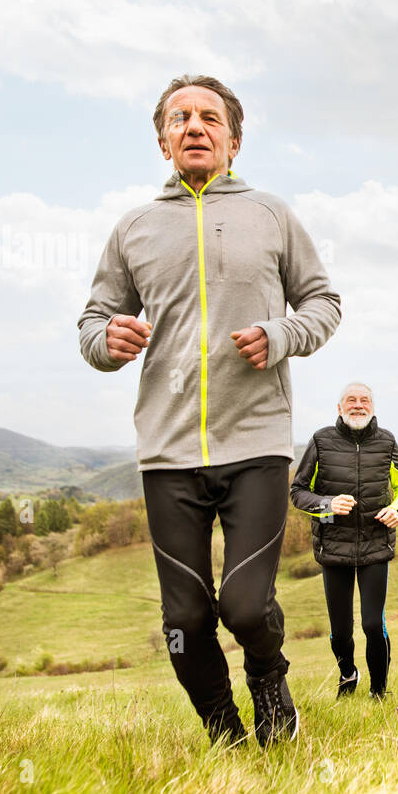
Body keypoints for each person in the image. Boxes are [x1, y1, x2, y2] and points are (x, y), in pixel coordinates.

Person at [77, 74, 341, 747]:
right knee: (186, 619)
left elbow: (323, 304)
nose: (193, 126)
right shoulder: (133, 227)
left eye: (208, 118)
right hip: (168, 450)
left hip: (256, 440)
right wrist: (107, 340)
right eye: (179, 118)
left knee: (246, 605)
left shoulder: (272, 214)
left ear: (234, 139)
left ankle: (271, 683)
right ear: (164, 141)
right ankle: (224, 733)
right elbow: (93, 321)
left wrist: (281, 335)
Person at [289, 382, 398, 700]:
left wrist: (397, 510)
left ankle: (379, 691)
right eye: (351, 400)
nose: (358, 405)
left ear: (373, 406)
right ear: (339, 407)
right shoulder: (320, 440)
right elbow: (298, 491)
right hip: (334, 546)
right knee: (341, 631)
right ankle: (348, 673)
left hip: (375, 544)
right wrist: (327, 504)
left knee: (373, 624)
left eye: (365, 400)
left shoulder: (386, 441)